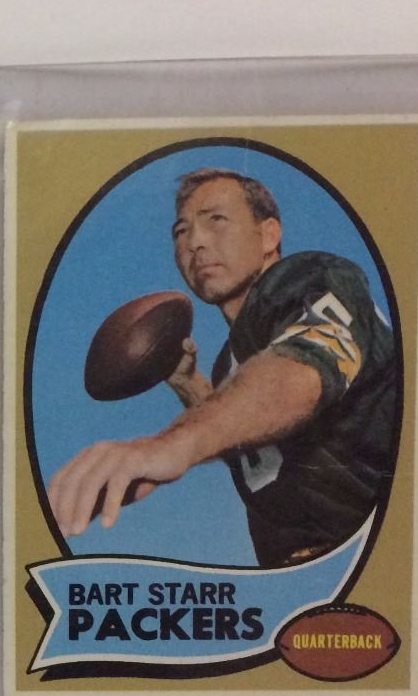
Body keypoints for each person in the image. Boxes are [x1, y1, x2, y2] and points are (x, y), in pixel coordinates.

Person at [47, 167, 399, 567]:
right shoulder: (230, 366)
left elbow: (301, 371)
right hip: (299, 575)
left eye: (216, 219)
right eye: (181, 232)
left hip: (374, 554)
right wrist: (189, 385)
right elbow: (258, 440)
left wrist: (169, 445)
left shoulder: (309, 280)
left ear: (269, 235)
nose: (195, 242)